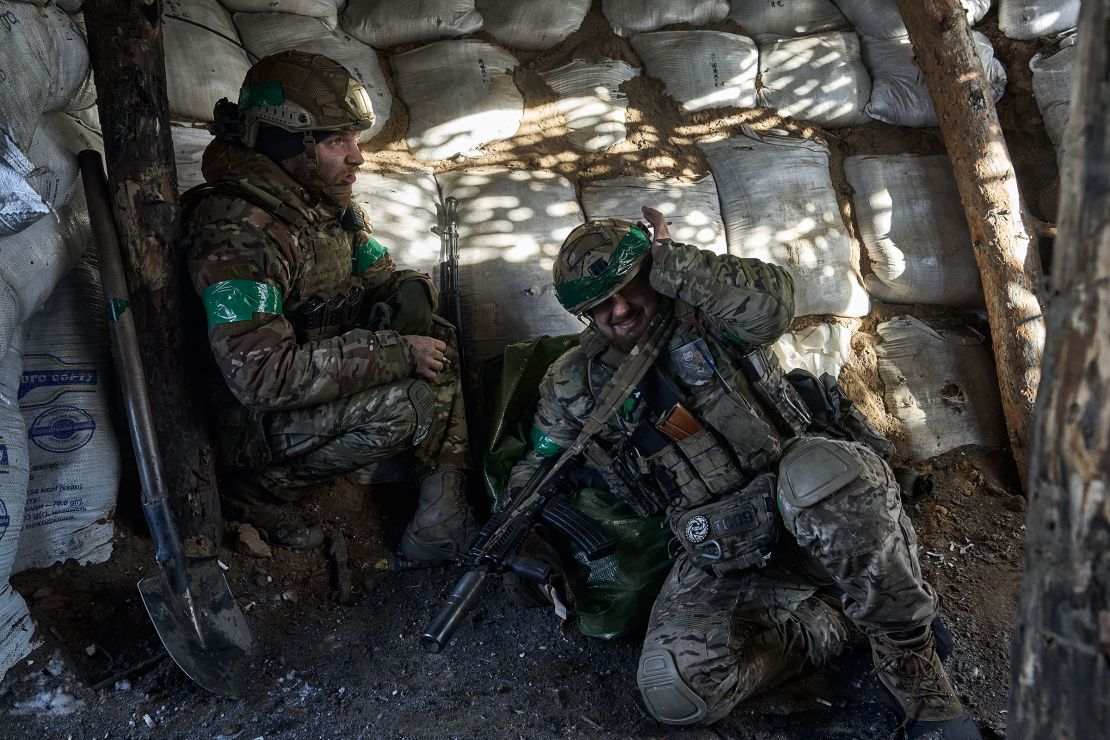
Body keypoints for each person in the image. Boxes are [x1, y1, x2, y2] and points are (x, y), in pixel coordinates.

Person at [504, 207, 981, 739]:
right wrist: (521, 528)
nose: (620, 310)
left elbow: (775, 303)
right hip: (724, 546)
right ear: (585, 316)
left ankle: (918, 678)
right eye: (600, 305)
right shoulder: (575, 382)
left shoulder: (707, 313)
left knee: (822, 474)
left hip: (818, 509)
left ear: (650, 275)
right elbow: (541, 461)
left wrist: (677, 265)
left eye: (628, 288)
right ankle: (839, 623)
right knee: (677, 690)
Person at [180, 50, 475, 561]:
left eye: (354, 139)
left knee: (440, 337)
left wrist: (410, 296)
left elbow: (382, 275)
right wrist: (394, 352)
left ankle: (442, 517)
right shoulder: (239, 234)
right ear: (284, 140)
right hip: (251, 427)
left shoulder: (327, 209)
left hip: (310, 385)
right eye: (337, 140)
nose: (357, 156)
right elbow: (261, 377)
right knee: (404, 405)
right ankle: (260, 493)